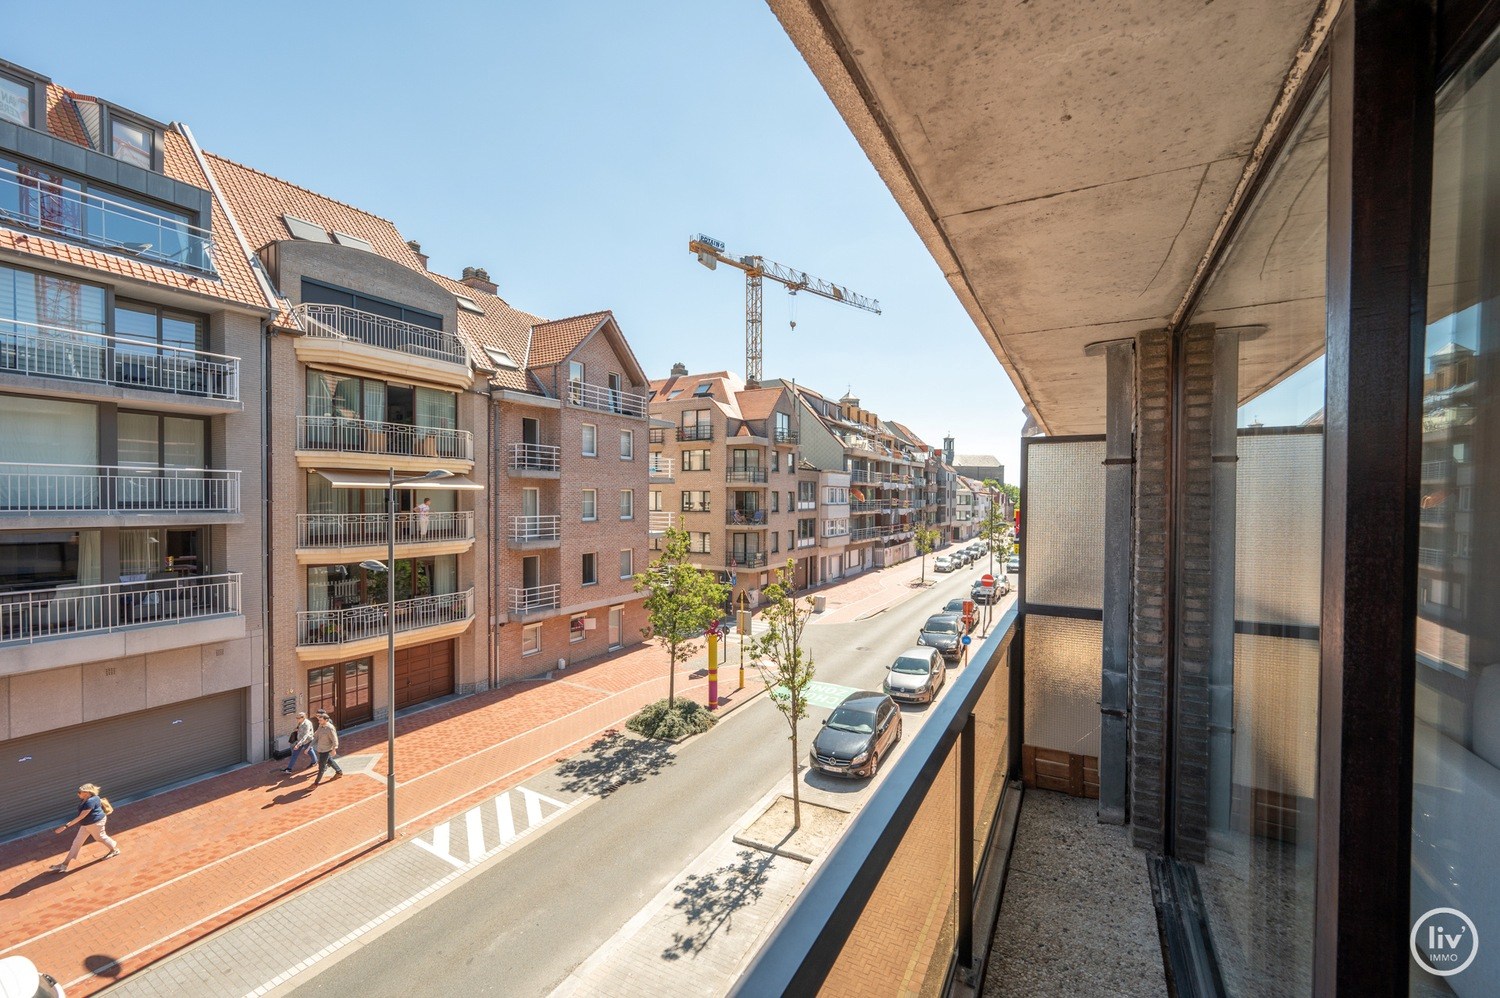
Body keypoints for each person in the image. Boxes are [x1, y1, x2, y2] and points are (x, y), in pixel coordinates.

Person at [50, 783, 119, 872]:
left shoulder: (90, 801)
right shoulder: (87, 799)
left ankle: (114, 850)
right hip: (87, 824)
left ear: (86, 792)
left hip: (95, 823)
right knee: (77, 842)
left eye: (79, 792)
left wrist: (65, 826)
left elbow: (81, 817)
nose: (78, 794)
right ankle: (64, 864)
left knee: (100, 837)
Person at [312, 710, 344, 785]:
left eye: (320, 719)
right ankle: (339, 772)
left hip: (326, 748)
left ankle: (316, 783)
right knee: (329, 760)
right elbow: (317, 734)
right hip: (321, 747)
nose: (318, 721)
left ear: (325, 720)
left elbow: (334, 738)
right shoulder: (321, 725)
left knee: (321, 767)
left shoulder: (330, 727)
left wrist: (334, 748)